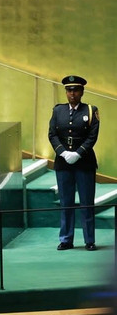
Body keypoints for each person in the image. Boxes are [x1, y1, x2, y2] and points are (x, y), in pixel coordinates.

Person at [48, 75, 99, 251]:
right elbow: (52, 134)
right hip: (63, 164)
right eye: (69, 90)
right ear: (66, 92)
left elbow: (92, 136)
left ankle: (89, 240)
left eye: (76, 90)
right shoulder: (58, 111)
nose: (72, 94)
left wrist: (78, 153)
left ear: (82, 92)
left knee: (86, 202)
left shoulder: (90, 110)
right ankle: (66, 239)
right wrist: (62, 152)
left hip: (84, 163)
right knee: (66, 202)